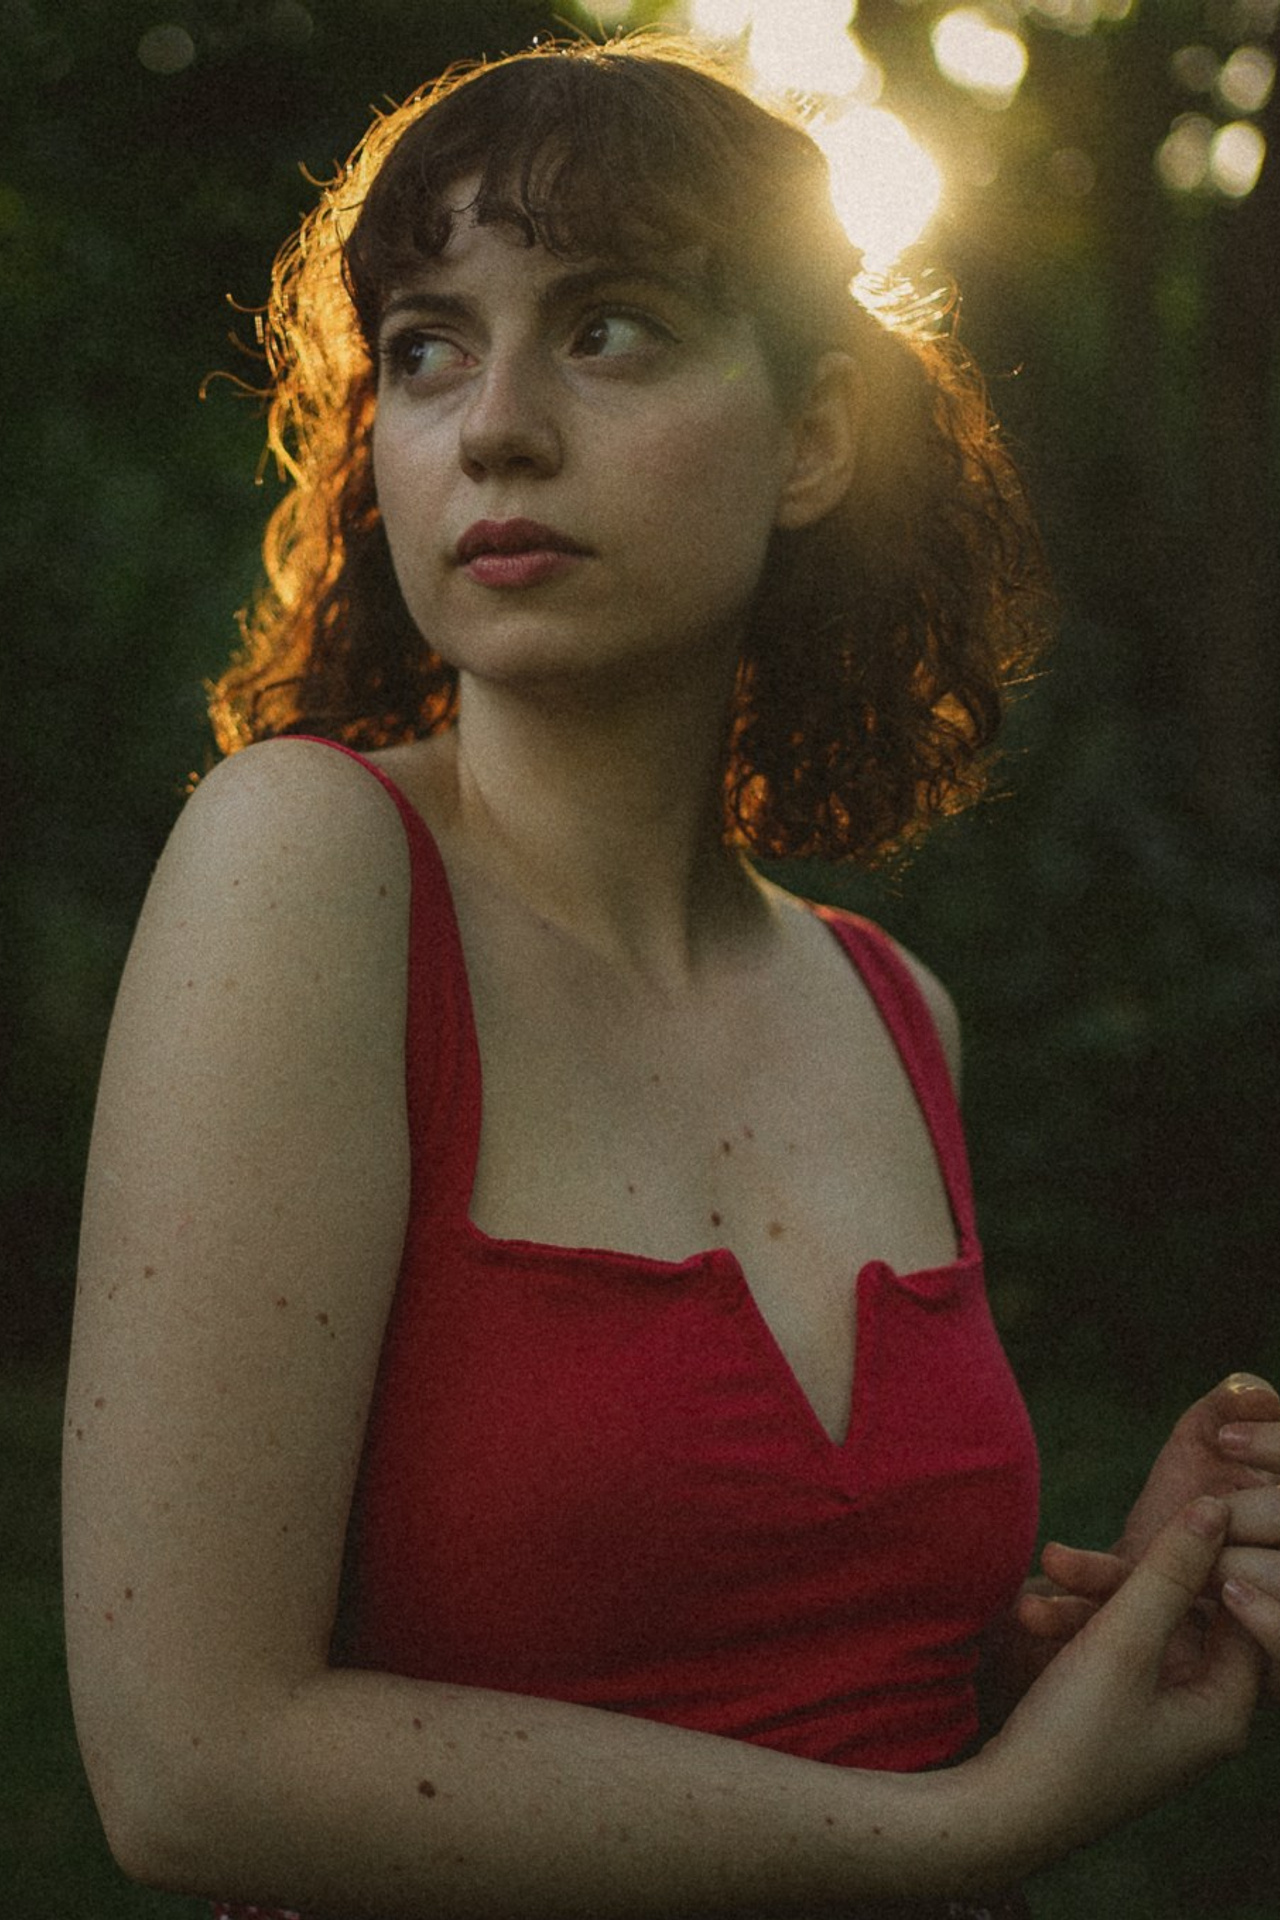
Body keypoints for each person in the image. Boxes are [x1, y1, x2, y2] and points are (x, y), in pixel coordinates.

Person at [63, 35, 1280, 1920]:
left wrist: (1094, 1657)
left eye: (610, 328)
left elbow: (799, 1721)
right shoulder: (309, 865)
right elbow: (190, 1771)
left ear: (813, 437)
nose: (497, 427)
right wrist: (969, 1831)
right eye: (425, 348)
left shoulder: (894, 1008)